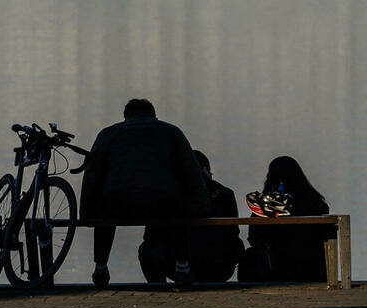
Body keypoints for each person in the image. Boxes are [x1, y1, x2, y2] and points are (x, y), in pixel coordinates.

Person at [79, 98, 209, 289]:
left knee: (105, 211)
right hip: (161, 201)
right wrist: (201, 208)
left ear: (126, 118)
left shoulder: (109, 133)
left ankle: (101, 268)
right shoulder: (172, 132)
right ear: (154, 116)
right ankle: (182, 267)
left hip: (119, 202)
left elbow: (93, 175)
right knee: (177, 209)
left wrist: (86, 213)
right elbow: (191, 172)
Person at [138, 150, 244, 283]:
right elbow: (233, 233)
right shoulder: (225, 194)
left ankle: (158, 288)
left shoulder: (166, 194)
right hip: (218, 265)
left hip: (178, 264)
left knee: (146, 249)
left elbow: (150, 235)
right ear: (205, 171)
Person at [238, 156, 331, 282]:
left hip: (275, 267)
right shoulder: (315, 202)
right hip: (311, 266)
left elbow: (254, 236)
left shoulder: (267, 205)